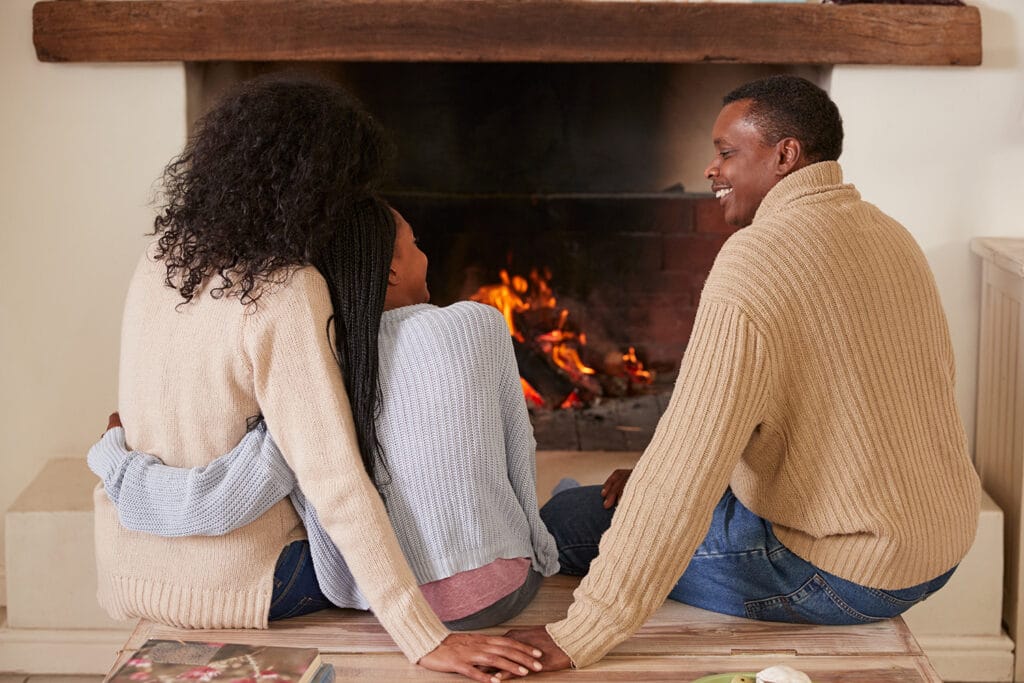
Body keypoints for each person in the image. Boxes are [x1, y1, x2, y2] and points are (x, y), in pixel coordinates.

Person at [503, 74, 982, 671]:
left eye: (727, 151)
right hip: (939, 540)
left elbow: (686, 464)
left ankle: (573, 503)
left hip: (843, 572)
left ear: (786, 155)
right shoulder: (890, 232)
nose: (710, 168)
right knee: (612, 497)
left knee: (562, 522)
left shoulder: (758, 257)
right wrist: (658, 476)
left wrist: (581, 633)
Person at [95, 73, 547, 683]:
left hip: (131, 564)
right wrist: (423, 638)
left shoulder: (161, 258)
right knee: (433, 533)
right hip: (252, 583)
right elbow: (333, 477)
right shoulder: (284, 290)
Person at [89, 206, 559, 630]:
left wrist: (115, 457)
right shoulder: (478, 323)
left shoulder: (318, 368)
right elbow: (519, 451)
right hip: (506, 589)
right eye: (416, 243)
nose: (426, 255)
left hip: (390, 605)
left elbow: (217, 501)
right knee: (570, 507)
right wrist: (539, 549)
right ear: (391, 271)